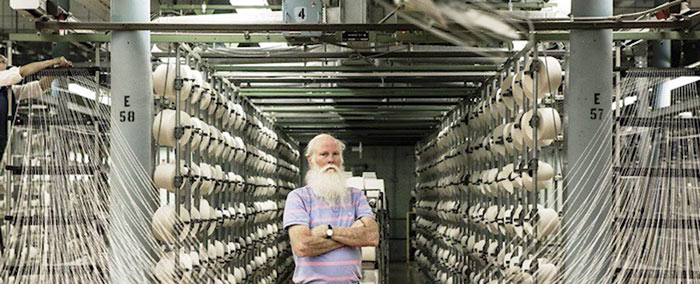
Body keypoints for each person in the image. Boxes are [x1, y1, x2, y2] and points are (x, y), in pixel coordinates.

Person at [283, 134, 379, 284]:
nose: (331, 160)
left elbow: (372, 236)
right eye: (324, 154)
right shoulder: (298, 198)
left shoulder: (356, 196)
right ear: (310, 160)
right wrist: (352, 237)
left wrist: (328, 232)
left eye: (336, 154)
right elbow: (302, 246)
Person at [0, 55, 73, 160]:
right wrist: (53, 61)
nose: (5, 72)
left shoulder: (7, 93)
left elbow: (37, 88)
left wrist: (56, 71)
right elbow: (21, 72)